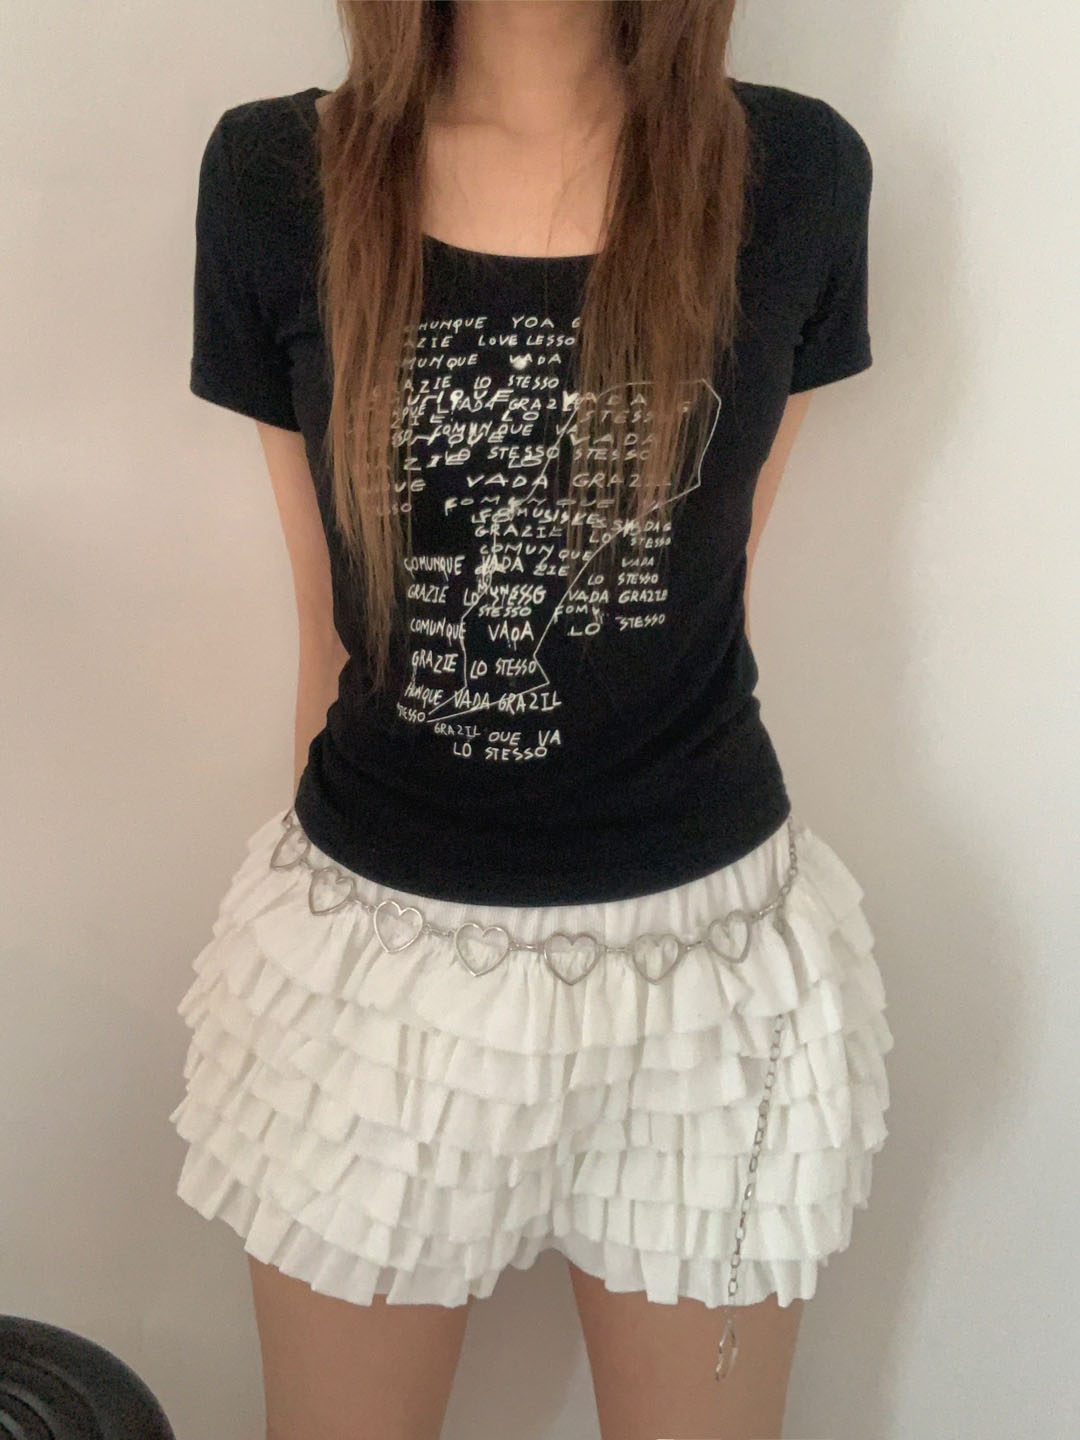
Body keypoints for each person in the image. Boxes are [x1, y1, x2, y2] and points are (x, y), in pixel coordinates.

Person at [169, 4, 894, 1438]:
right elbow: (330, 618)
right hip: (376, 960)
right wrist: (333, 929)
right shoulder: (276, 177)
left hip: (714, 978)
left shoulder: (797, 172)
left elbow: (715, 580)